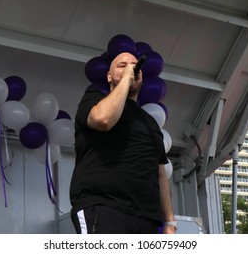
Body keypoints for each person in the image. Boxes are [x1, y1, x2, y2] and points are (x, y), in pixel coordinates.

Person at [69, 52, 176, 234]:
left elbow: (160, 173)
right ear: (109, 76)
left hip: (145, 218)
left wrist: (169, 222)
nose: (131, 68)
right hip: (103, 207)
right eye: (122, 65)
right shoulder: (94, 99)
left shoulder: (149, 122)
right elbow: (103, 119)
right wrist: (127, 78)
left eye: (135, 65)